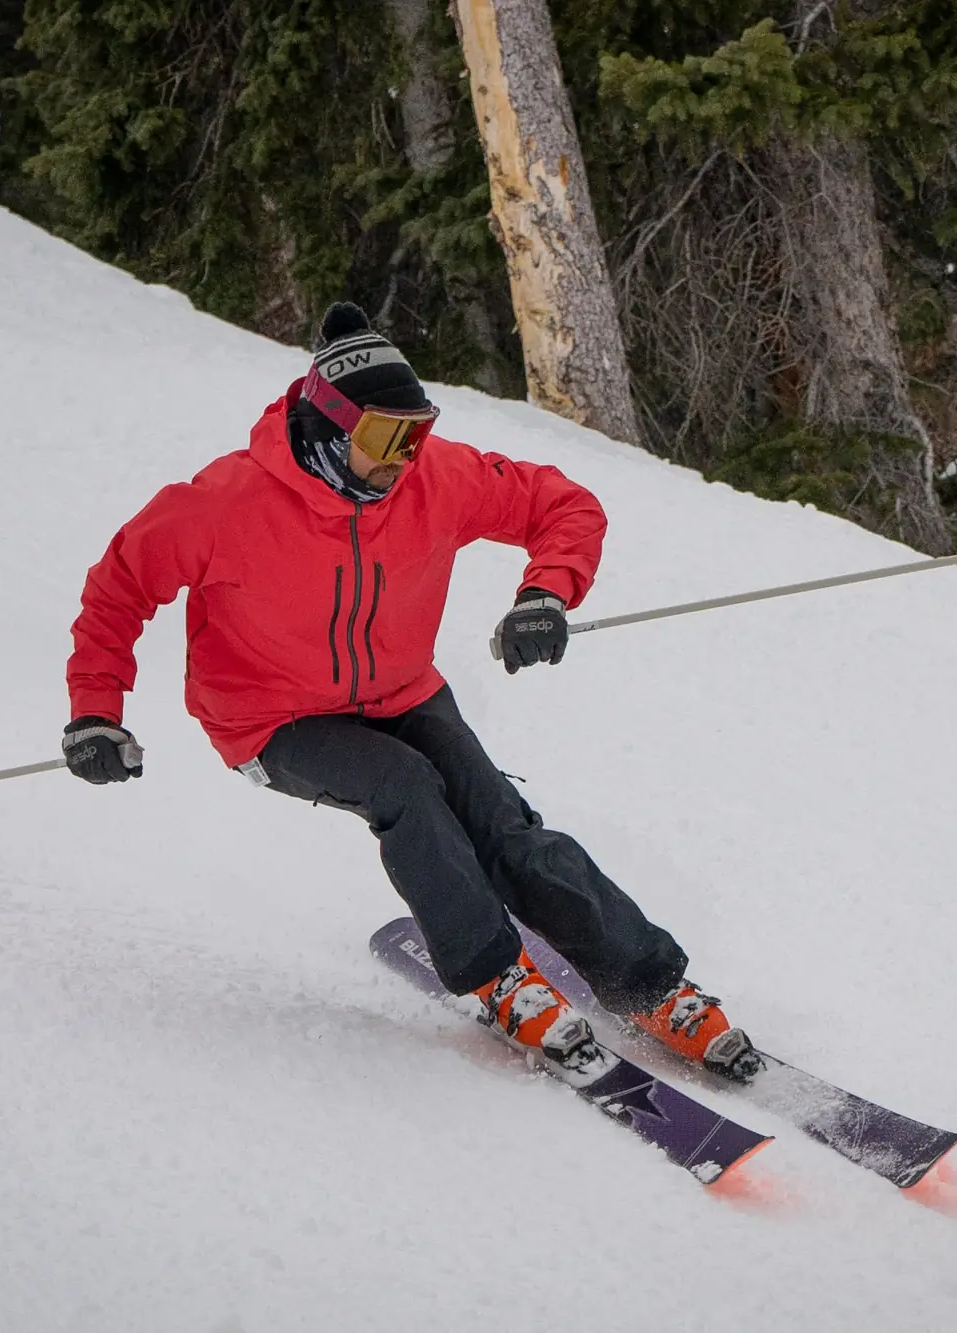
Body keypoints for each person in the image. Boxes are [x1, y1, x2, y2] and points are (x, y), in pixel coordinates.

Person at [60, 302, 754, 1077]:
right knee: (406, 785)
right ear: (328, 431)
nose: (403, 459)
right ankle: (497, 975)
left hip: (402, 691)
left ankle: (651, 984)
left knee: (504, 828)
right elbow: (118, 589)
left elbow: (563, 504)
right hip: (272, 719)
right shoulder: (226, 503)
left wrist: (544, 593)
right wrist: (95, 713)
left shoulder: (434, 478)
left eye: (415, 433)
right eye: (384, 439)